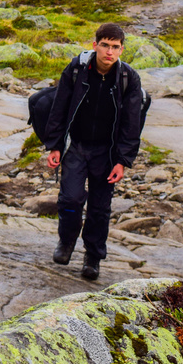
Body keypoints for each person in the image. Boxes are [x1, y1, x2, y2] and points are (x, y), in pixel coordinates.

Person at [45, 23, 142, 281]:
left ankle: (93, 257)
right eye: (105, 45)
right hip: (75, 146)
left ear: (122, 49)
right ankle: (66, 243)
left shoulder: (128, 79)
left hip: (107, 153)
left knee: (100, 208)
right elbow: (59, 107)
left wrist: (122, 161)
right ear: (95, 44)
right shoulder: (76, 69)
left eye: (115, 47)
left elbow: (131, 123)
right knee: (70, 200)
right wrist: (55, 145)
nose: (109, 52)